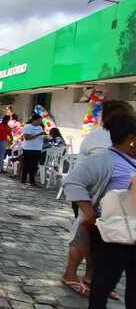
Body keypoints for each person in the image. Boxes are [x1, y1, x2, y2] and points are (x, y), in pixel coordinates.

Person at [61, 100, 134, 300]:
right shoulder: (101, 146)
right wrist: (89, 209)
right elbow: (75, 180)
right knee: (85, 238)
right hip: (100, 209)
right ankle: (75, 275)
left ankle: (95, 278)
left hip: (126, 222)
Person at [21, 114, 45, 188]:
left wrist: (45, 137)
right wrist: (39, 134)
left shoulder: (40, 127)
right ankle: (23, 181)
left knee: (34, 166)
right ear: (34, 120)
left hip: (37, 149)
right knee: (27, 165)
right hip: (28, 149)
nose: (40, 122)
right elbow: (27, 137)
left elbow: (41, 136)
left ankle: (32, 181)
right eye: (39, 120)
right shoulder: (27, 127)